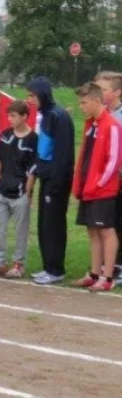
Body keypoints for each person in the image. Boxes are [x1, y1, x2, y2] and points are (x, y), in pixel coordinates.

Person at [70, 82, 122, 291]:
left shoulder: (112, 126)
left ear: (96, 101)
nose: (81, 107)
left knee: (106, 231)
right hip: (87, 188)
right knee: (92, 231)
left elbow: (113, 161)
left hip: (103, 190)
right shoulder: (91, 124)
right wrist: (80, 183)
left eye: (84, 102)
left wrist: (98, 183)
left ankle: (107, 277)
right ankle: (94, 273)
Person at [28, 77, 76, 285]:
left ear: (42, 94)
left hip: (57, 180)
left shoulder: (59, 116)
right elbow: (43, 150)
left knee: (54, 224)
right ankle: (48, 266)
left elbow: (64, 154)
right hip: (46, 177)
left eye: (32, 95)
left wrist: (56, 183)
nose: (29, 100)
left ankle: (56, 269)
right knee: (44, 224)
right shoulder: (45, 115)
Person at [0, 100, 37, 278]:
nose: (10, 119)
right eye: (8, 115)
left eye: (13, 115)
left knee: (21, 230)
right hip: (1, 189)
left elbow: (32, 170)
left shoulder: (33, 139)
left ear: (24, 116)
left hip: (20, 191)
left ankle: (18, 264)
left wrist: (27, 193)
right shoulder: (6, 134)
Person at [95, 71, 122, 279]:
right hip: (104, 179)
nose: (99, 93)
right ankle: (105, 266)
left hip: (118, 176)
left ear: (117, 92)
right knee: (105, 223)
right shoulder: (99, 115)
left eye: (103, 89)